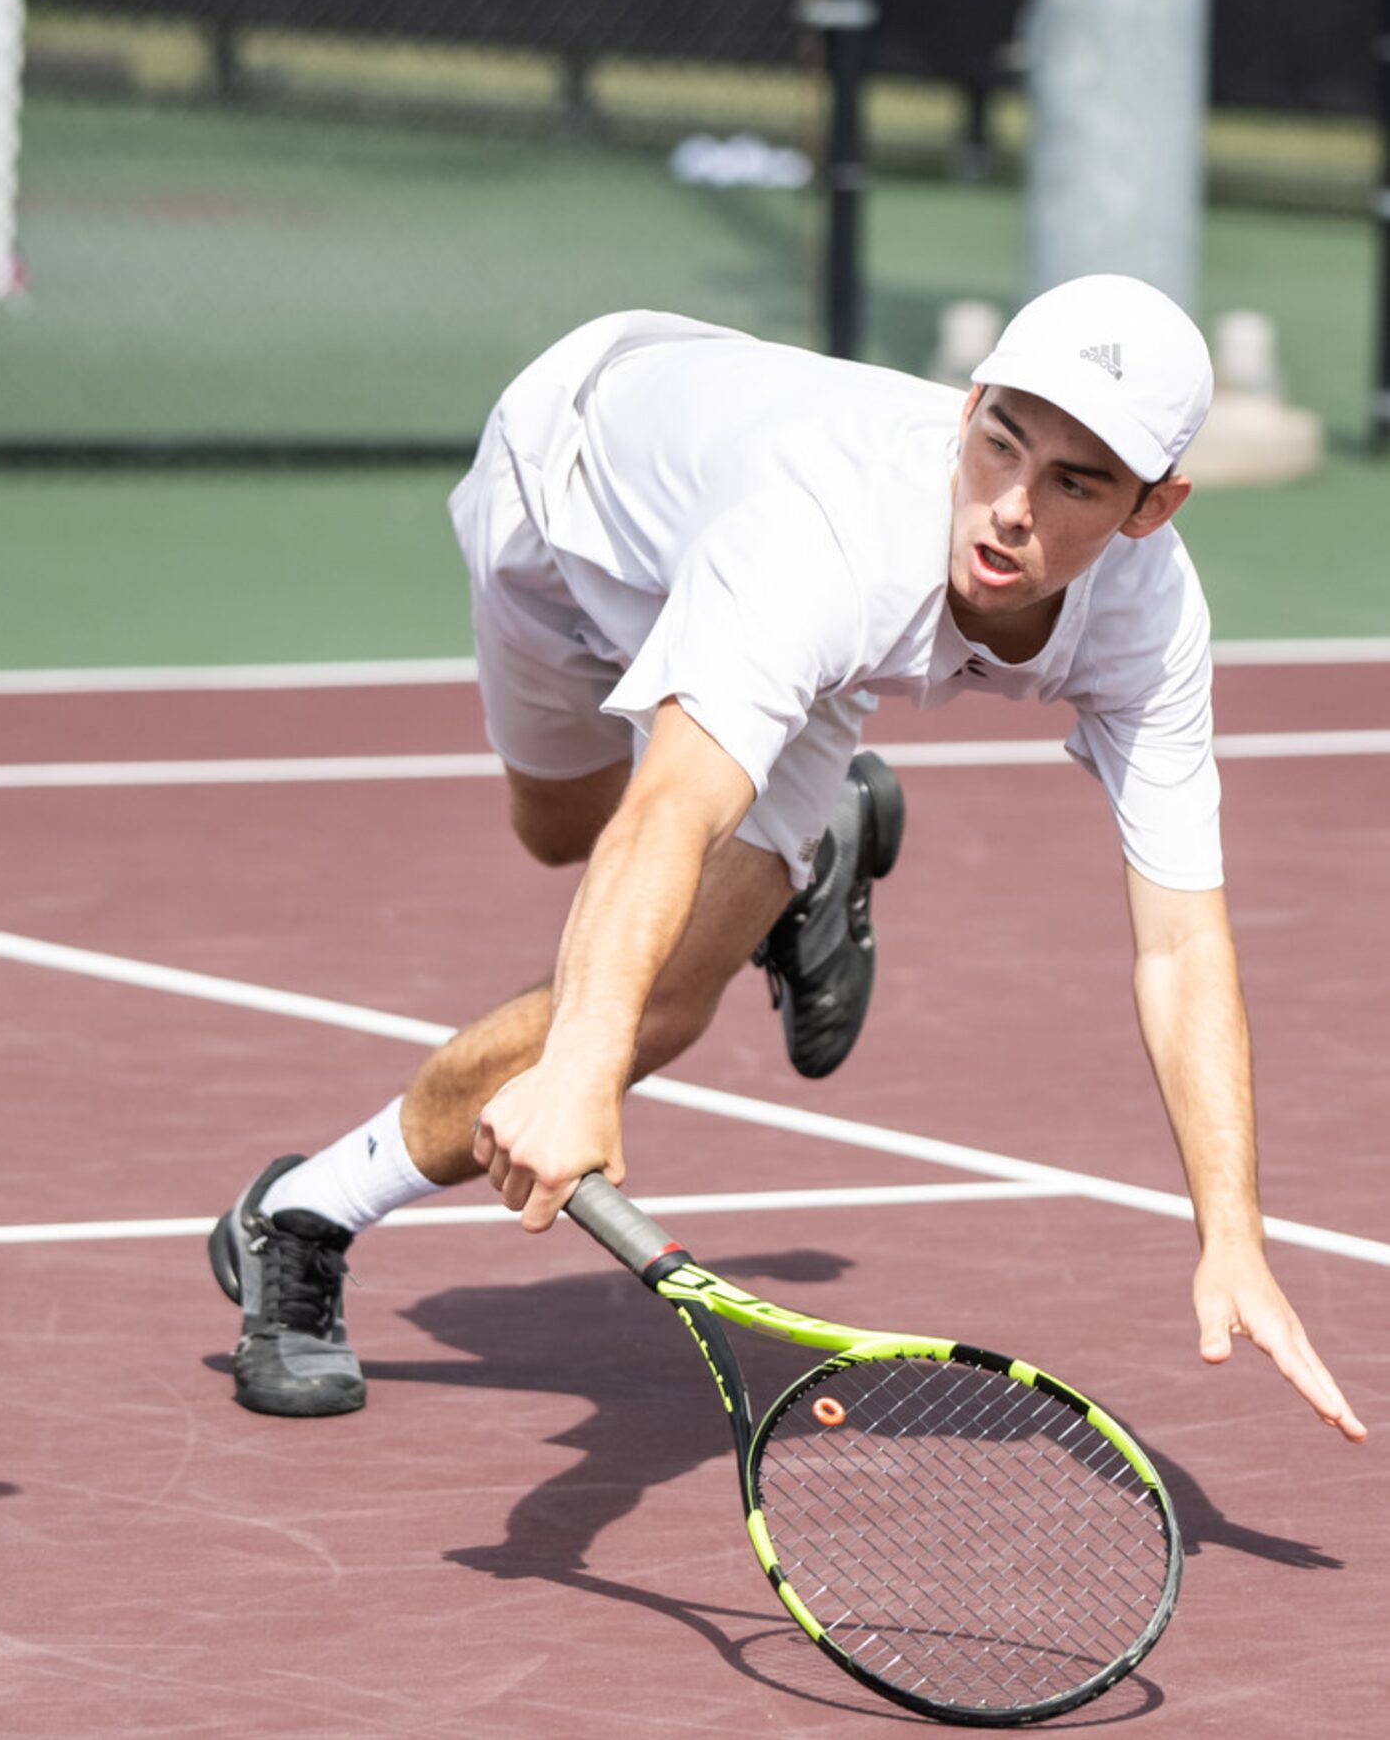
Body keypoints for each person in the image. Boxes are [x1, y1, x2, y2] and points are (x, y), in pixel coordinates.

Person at [209, 274, 1365, 1443]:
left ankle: (298, 1215)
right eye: (1000, 443)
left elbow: (1179, 942)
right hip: (572, 508)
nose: (1010, 507)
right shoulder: (821, 531)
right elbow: (666, 811)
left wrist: (1232, 1236)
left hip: (816, 627)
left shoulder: (1149, 624)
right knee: (560, 835)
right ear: (965, 410)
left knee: (661, 1005)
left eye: (1073, 482)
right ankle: (799, 857)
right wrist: (576, 1067)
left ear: (1148, 509)